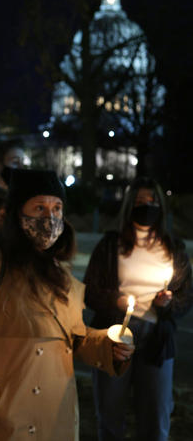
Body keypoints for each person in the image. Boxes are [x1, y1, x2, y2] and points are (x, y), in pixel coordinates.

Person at [0, 169, 134, 440]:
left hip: (55, 419)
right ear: (17, 212)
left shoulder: (60, 274)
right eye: (39, 207)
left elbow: (73, 338)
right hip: (0, 424)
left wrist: (108, 346)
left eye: (57, 208)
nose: (50, 217)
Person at [84, 177, 193, 441]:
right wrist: (115, 302)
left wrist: (168, 304)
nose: (147, 206)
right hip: (115, 336)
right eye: (140, 201)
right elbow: (89, 290)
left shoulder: (173, 248)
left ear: (161, 206)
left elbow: (185, 295)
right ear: (129, 205)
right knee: (110, 416)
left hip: (157, 338)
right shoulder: (111, 245)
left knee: (156, 418)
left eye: (152, 201)